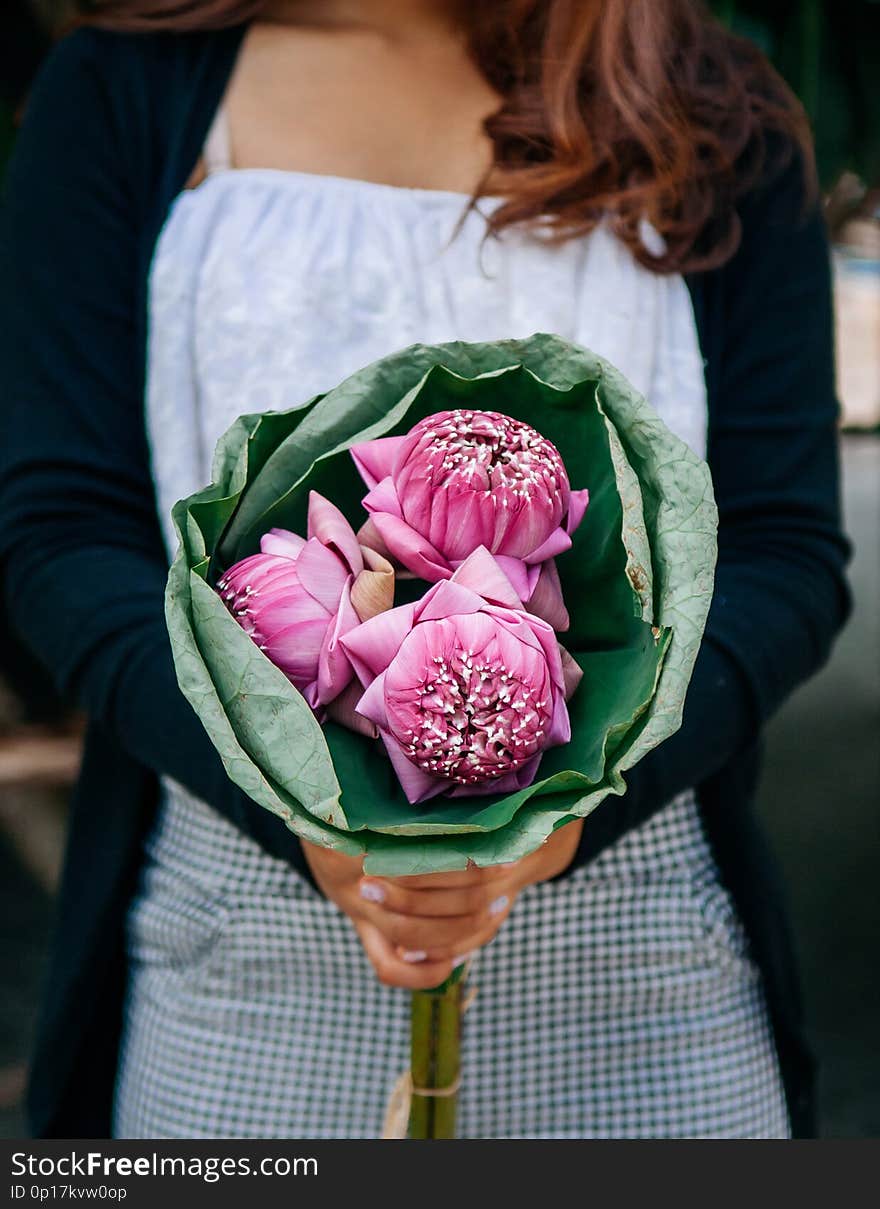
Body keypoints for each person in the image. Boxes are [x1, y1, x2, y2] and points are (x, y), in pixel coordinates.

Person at [0, 0, 850, 1139]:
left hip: (635, 973)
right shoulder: (122, 93)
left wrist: (575, 808)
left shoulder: (717, 114)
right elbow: (61, 530)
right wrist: (293, 792)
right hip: (242, 968)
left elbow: (784, 553)